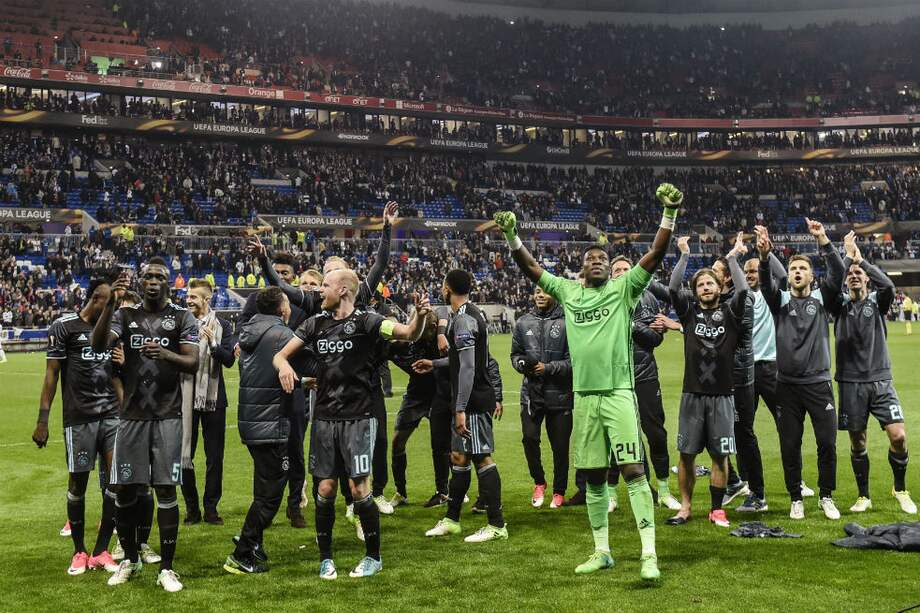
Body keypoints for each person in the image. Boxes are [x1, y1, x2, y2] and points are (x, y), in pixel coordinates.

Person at [492, 182, 682, 581]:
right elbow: (531, 268)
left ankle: (649, 554)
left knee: (633, 471)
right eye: (591, 258)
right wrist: (512, 236)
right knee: (594, 478)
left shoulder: (623, 288)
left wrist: (670, 213)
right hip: (584, 399)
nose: (598, 262)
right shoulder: (568, 293)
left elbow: (656, 253)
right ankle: (602, 551)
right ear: (581, 268)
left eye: (603, 258)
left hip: (618, 395)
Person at [273, 269, 430, 580]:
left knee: (359, 488)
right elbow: (280, 355)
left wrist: (420, 316)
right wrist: (283, 368)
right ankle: (326, 559)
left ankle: (373, 557)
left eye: (326, 286)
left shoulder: (368, 321)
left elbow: (409, 333)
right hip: (324, 419)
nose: (319, 291)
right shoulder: (314, 324)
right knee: (326, 487)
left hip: (358, 418)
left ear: (343, 290)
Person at [252, 201, 398, 516]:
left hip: (366, 384)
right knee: (331, 451)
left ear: (345, 282)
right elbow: (280, 286)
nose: (328, 279)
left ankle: (368, 498)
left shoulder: (358, 296)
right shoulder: (314, 302)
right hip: (328, 388)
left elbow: (381, 262)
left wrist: (386, 228)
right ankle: (340, 503)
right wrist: (264, 260)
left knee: (376, 444)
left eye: (335, 271)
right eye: (326, 272)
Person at [91, 257, 200, 592]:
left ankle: (167, 568)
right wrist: (109, 304)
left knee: (166, 488)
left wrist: (165, 354)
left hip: (168, 416)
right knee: (124, 487)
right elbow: (98, 346)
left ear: (170, 282)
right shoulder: (125, 316)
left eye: (159, 277)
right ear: (139, 282)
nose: (153, 281)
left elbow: (193, 363)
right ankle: (130, 559)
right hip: (132, 417)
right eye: (148, 276)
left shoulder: (183, 317)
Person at [756, 220, 845, 521]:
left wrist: (822, 239)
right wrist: (766, 257)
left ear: (811, 275)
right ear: (789, 275)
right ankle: (796, 497)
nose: (796, 272)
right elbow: (767, 285)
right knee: (790, 444)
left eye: (802, 269)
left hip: (819, 384)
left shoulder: (822, 298)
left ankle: (826, 496)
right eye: (793, 268)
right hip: (788, 387)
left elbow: (839, 273)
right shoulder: (779, 301)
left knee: (827, 443)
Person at [33, 277, 122, 575]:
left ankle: (101, 550)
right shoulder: (64, 326)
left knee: (115, 482)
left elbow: (118, 370)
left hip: (111, 416)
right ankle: (79, 551)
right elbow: (51, 375)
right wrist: (42, 421)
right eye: (108, 303)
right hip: (79, 418)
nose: (111, 309)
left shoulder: (112, 328)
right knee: (78, 485)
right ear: (96, 298)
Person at [828, 232, 916, 515]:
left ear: (866, 278)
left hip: (881, 380)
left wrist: (860, 260)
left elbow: (888, 283)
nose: (854, 276)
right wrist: (846, 258)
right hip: (851, 382)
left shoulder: (878, 301)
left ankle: (900, 488)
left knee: (899, 437)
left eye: (858, 274)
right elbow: (831, 286)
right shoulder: (838, 305)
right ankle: (863, 495)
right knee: (858, 440)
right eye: (850, 274)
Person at [665, 235, 749, 528]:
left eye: (710, 283)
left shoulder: (732, 312)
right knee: (686, 455)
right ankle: (685, 507)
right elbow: (673, 287)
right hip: (693, 394)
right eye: (700, 284)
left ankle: (716, 509)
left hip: (723, 395)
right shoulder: (688, 314)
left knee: (719, 454)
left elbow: (744, 289)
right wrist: (684, 256)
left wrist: (733, 259)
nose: (705, 287)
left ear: (719, 286)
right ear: (696, 291)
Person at [423, 270, 507, 543]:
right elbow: (462, 360)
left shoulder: (463, 320)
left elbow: (469, 368)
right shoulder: (472, 314)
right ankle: (452, 519)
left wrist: (460, 409)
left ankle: (497, 524)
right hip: (469, 398)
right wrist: (434, 363)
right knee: (459, 458)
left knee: (482, 457)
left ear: (447, 288)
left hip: (472, 401)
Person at [223, 287, 295, 574]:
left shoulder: (250, 330)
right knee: (271, 494)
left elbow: (264, 375)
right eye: (288, 303)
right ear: (280, 309)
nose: (289, 308)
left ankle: (254, 544)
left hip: (252, 420)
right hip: (270, 422)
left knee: (262, 487)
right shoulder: (281, 335)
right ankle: (243, 551)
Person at [738, 251, 816, 511]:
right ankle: (748, 484)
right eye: (745, 271)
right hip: (747, 369)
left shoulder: (775, 297)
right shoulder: (741, 299)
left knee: (787, 428)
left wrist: (766, 254)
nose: (750, 275)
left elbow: (783, 274)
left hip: (772, 368)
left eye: (753, 271)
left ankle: (798, 480)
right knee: (743, 429)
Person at [240, 250, 309, 528]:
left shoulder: (303, 305)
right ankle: (266, 505)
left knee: (295, 451)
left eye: (285, 274)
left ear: (293, 277)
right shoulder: (259, 303)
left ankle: (294, 506)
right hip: (269, 389)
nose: (280, 277)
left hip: (295, 389)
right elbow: (243, 332)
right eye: (276, 272)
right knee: (273, 456)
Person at [607, 256, 681, 511]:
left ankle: (663, 491)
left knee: (656, 434)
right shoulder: (602, 297)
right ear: (611, 276)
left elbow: (655, 338)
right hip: (612, 379)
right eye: (617, 270)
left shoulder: (647, 298)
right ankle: (611, 496)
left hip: (644, 375)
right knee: (613, 438)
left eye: (627, 269)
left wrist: (629, 325)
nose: (622, 273)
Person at [511, 285, 573, 510]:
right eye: (537, 291)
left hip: (560, 395)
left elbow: (573, 361)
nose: (539, 295)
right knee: (529, 439)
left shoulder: (568, 322)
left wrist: (548, 368)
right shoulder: (523, 322)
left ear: (555, 294)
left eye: (544, 291)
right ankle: (539, 482)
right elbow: (515, 354)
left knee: (560, 447)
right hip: (531, 394)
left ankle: (559, 491)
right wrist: (521, 364)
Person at [180, 279, 236, 525]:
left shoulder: (223, 325)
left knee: (215, 457)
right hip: (185, 399)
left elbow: (229, 360)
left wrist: (213, 342)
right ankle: (192, 509)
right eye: (188, 296)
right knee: (185, 455)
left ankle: (211, 508)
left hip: (214, 400)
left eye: (193, 296)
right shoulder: (180, 324)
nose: (189, 300)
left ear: (206, 299)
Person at [388, 310, 449, 507]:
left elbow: (444, 311)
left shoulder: (439, 341)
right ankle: (401, 493)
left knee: (442, 446)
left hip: (439, 396)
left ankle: (444, 492)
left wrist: (440, 333)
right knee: (397, 443)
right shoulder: (397, 345)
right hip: (414, 396)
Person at [711, 238, 755, 507]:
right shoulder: (717, 300)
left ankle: (754, 490)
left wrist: (732, 258)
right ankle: (736, 481)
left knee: (742, 433)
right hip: (719, 377)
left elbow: (744, 293)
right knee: (717, 434)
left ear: (727, 278)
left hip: (737, 377)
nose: (710, 273)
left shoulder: (738, 301)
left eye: (717, 271)